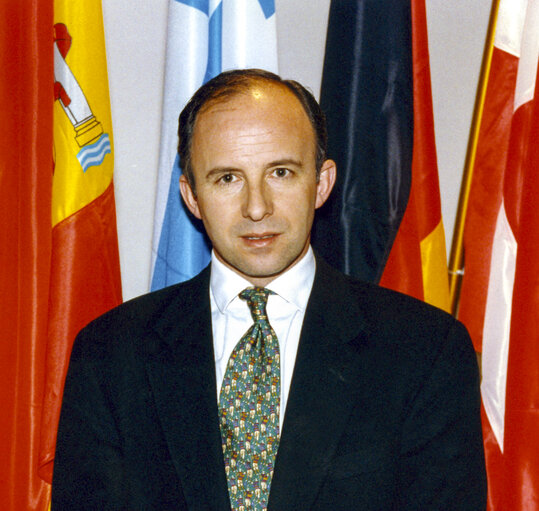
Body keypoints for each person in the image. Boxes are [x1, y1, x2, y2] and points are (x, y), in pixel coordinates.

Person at [52, 69, 487, 510]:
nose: (256, 208)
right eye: (227, 178)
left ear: (321, 184)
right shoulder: (111, 353)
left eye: (280, 172)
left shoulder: (425, 352)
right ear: (191, 196)